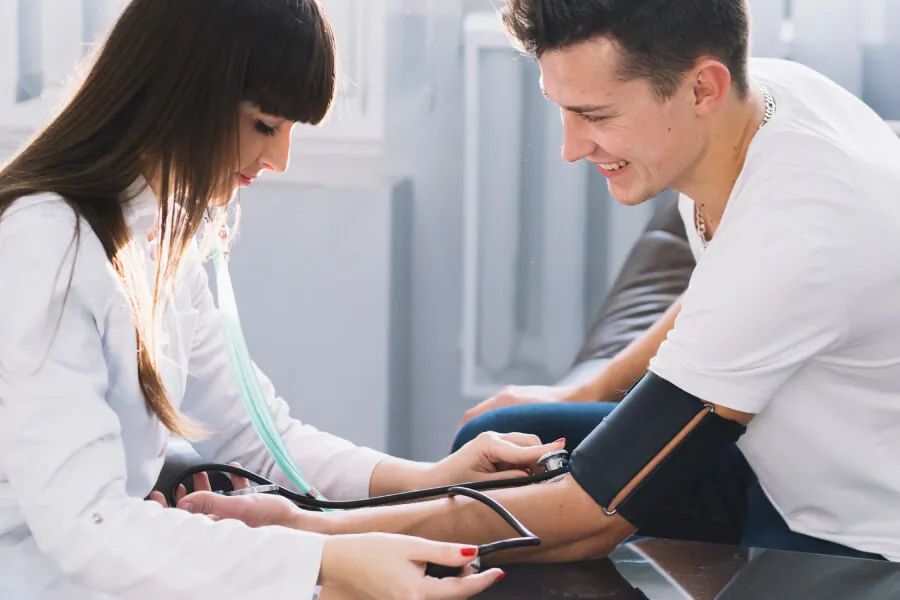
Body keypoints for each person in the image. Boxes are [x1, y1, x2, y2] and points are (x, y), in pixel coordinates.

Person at [172, 0, 900, 566]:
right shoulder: (764, 100)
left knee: (536, 514)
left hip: (852, 538)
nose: (570, 148)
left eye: (594, 116)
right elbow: (721, 291)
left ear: (701, 87)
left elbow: (590, 515)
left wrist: (315, 530)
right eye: (563, 110)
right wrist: (579, 394)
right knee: (497, 438)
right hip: (767, 462)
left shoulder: (801, 232)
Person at [0, 1, 567, 598]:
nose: (279, 159)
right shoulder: (43, 245)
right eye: (266, 125)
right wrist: (324, 563)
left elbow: (260, 438)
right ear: (182, 93)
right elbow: (86, 528)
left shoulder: (161, 231)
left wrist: (430, 480)